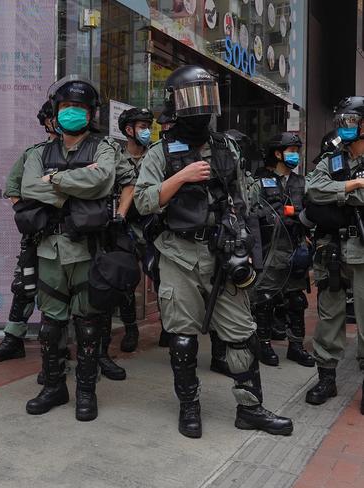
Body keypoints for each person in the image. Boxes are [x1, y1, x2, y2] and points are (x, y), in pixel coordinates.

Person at [133, 65, 293, 438]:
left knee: (241, 333)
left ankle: (250, 408)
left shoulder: (226, 148)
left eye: (207, 96)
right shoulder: (160, 153)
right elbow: (142, 202)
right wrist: (181, 177)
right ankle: (189, 407)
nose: (201, 107)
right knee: (183, 336)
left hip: (223, 253)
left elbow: (242, 201)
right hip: (179, 254)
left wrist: (246, 248)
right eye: (192, 98)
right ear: (175, 103)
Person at [20, 75, 118, 421]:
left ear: (91, 114)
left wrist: (56, 180)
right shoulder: (38, 152)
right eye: (66, 107)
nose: (72, 113)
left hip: (87, 250)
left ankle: (86, 392)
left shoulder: (104, 148)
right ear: (55, 111)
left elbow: (103, 180)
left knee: (89, 323)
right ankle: (54, 387)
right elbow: (30, 188)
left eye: (79, 108)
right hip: (49, 249)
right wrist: (79, 182)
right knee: (50, 324)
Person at [0, 101, 58, 364]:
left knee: (62, 289)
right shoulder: (34, 153)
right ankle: (13, 339)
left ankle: (58, 345)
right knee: (24, 285)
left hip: (71, 234)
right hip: (38, 235)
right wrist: (30, 214)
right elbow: (13, 187)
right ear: (46, 121)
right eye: (53, 117)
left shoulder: (85, 151)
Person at [304, 96, 364, 413]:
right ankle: (326, 377)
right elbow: (312, 190)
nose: (345, 127)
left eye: (352, 122)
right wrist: (351, 186)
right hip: (331, 249)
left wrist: (339, 193)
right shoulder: (333, 160)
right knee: (329, 315)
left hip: (362, 250)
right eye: (343, 121)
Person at [94, 107, 154, 383]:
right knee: (123, 282)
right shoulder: (114, 155)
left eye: (148, 126)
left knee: (160, 276)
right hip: (122, 227)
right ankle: (130, 328)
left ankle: (171, 328)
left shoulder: (156, 155)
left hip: (151, 227)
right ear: (128, 129)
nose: (146, 130)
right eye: (141, 125)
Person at [248, 132, 314, 367]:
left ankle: (296, 346)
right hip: (269, 250)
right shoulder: (260, 183)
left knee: (296, 300)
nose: (295, 155)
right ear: (277, 153)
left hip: (295, 250)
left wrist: (307, 230)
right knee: (265, 299)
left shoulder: (303, 183)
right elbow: (250, 218)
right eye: (291, 151)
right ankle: (264, 345)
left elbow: (313, 215)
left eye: (297, 151)